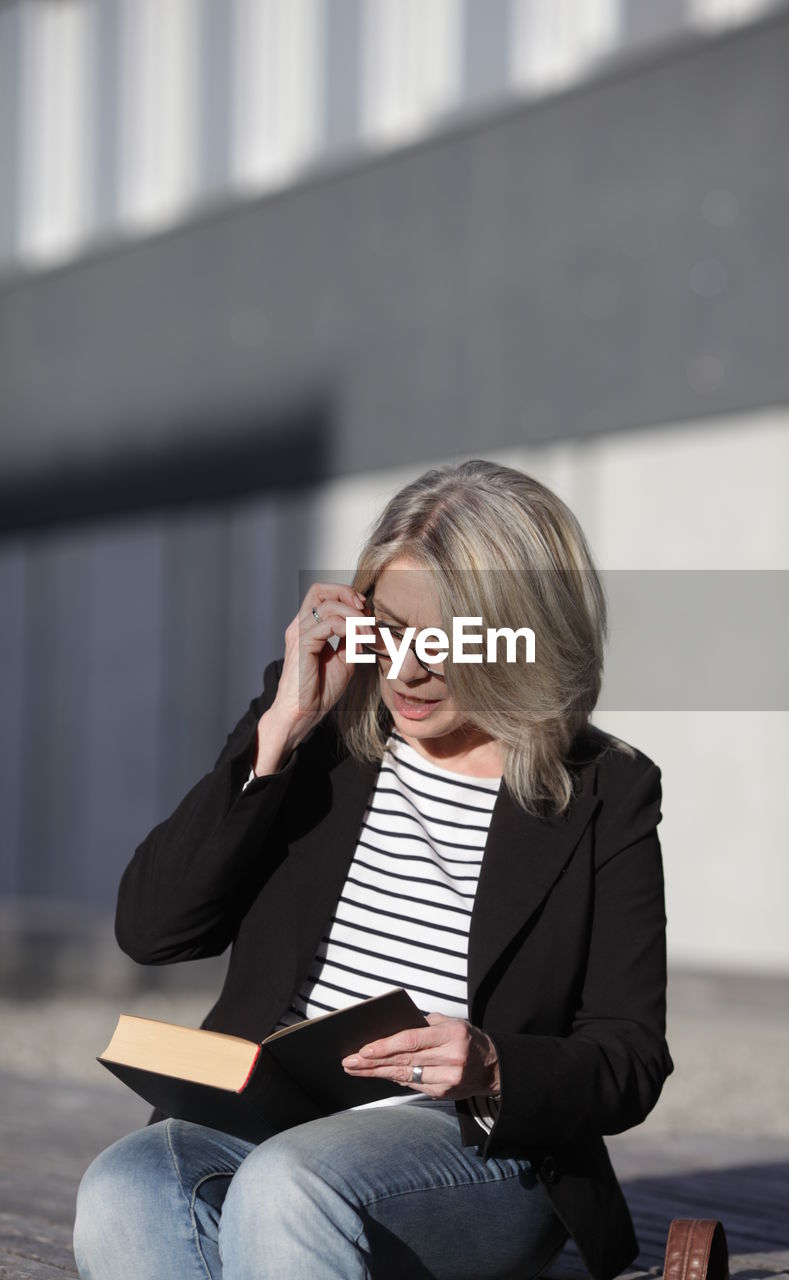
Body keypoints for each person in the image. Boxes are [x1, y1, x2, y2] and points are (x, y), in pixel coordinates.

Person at [73, 459, 673, 1280]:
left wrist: (493, 1062)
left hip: (468, 1146)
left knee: (289, 1188)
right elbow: (151, 930)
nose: (406, 671)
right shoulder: (315, 736)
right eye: (389, 631)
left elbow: (629, 1055)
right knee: (127, 1183)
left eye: (445, 641)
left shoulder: (605, 791)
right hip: (267, 1118)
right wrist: (279, 731)